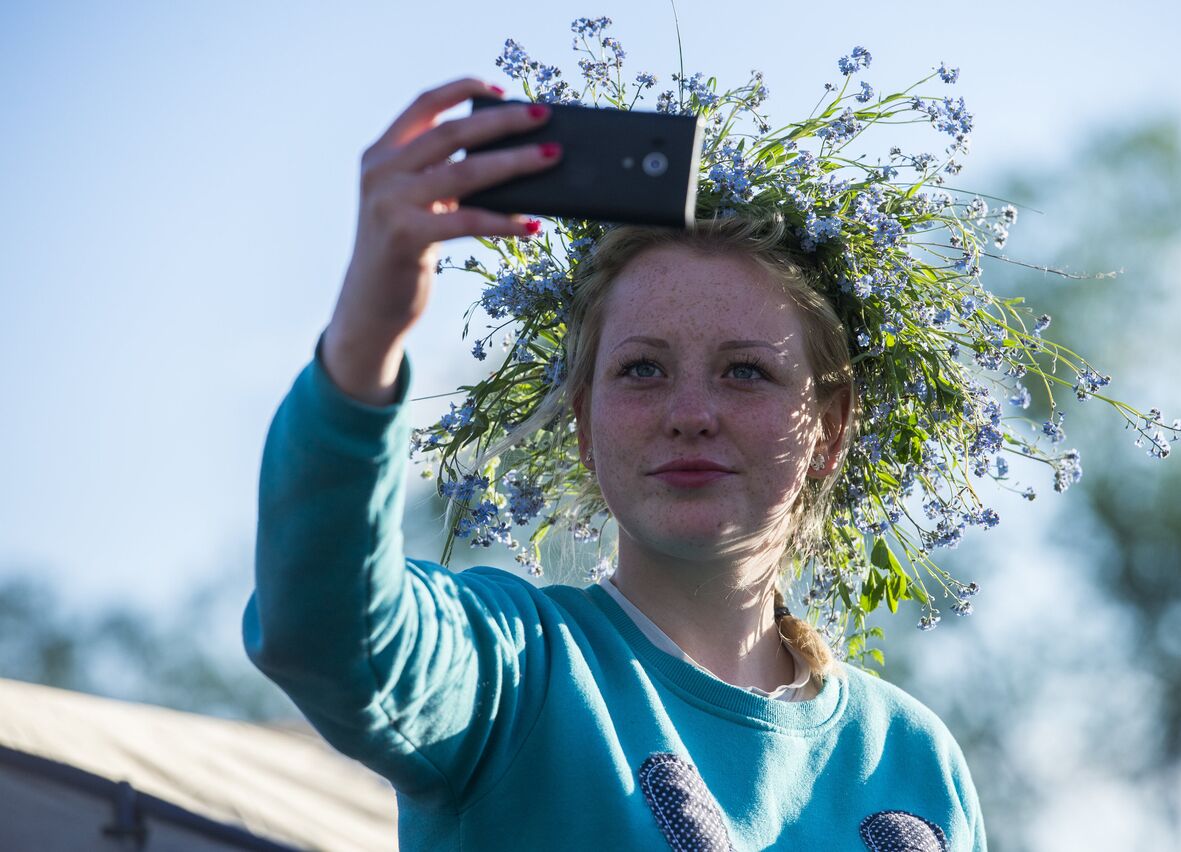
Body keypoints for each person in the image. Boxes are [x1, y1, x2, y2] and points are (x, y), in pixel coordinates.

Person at [243, 76, 987, 851]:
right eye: (641, 369)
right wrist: (368, 334)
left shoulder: (913, 760)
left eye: (744, 372)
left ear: (831, 430)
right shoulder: (517, 674)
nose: (690, 414)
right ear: (583, 426)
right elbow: (327, 632)